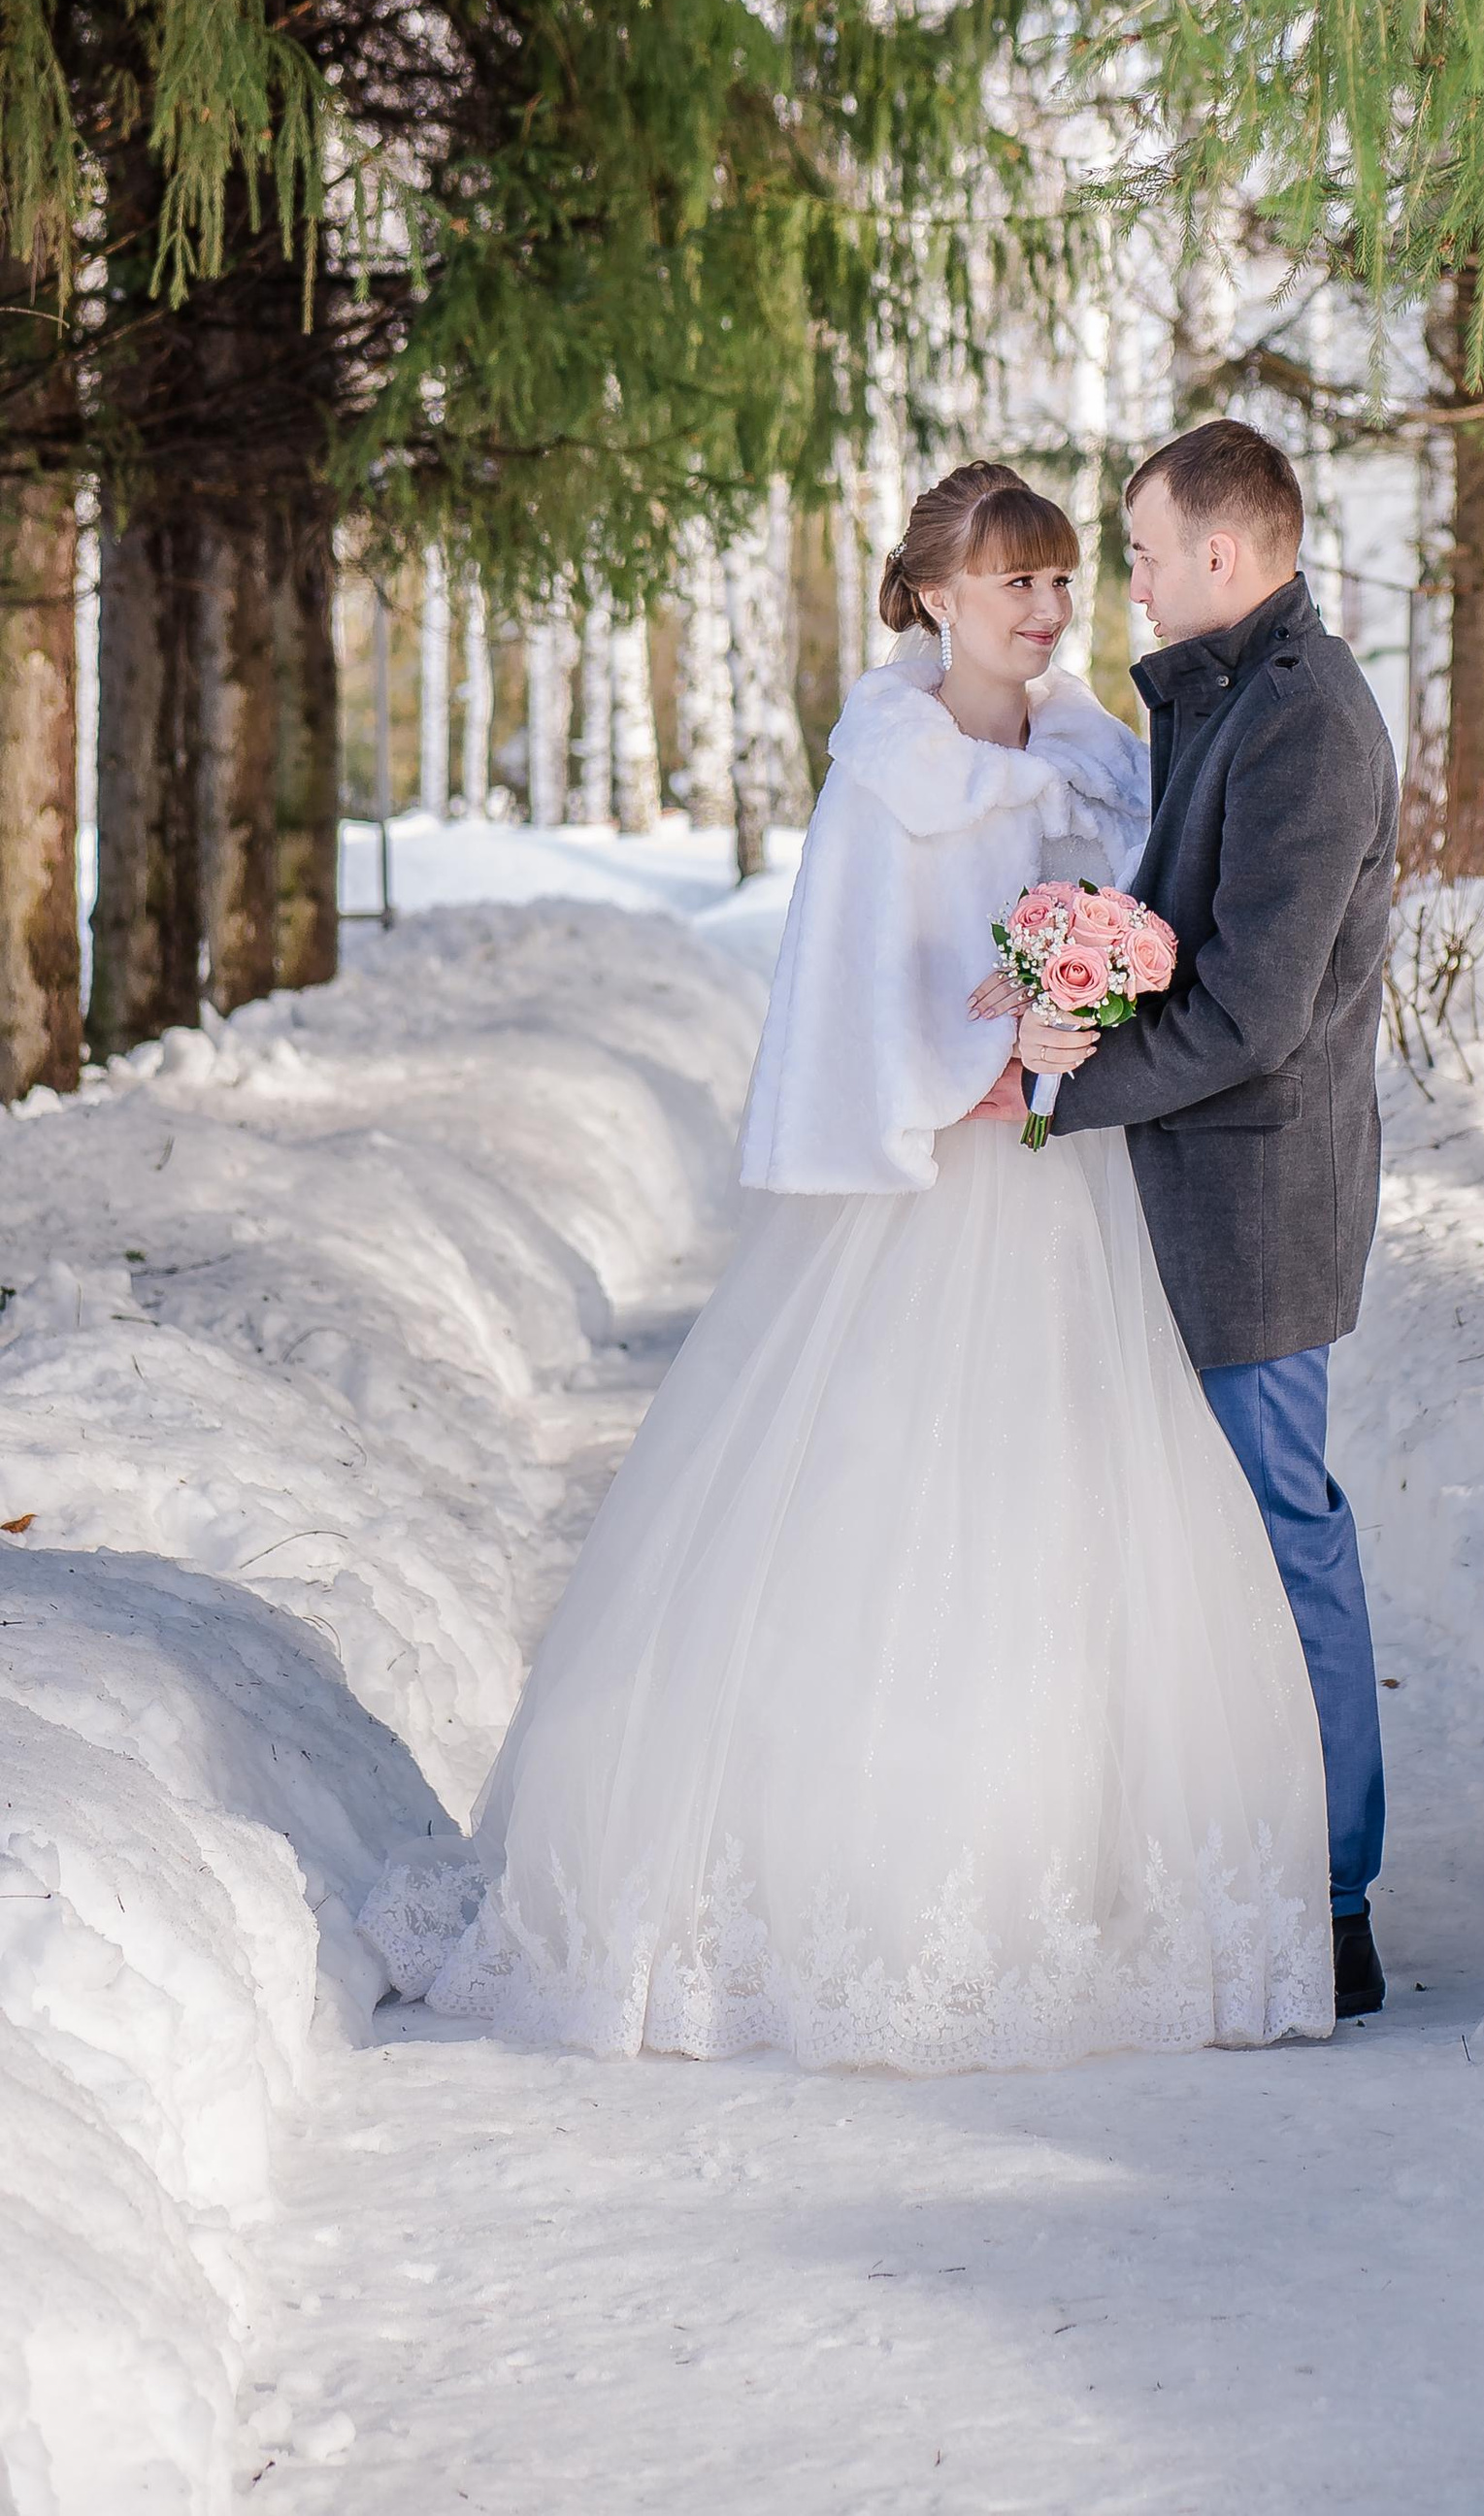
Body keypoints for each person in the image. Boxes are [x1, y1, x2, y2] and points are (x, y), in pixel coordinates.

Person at [359, 462, 1333, 2070]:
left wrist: (1092, 1014)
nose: (1047, 609)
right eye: (1013, 581)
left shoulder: (1101, 758)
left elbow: (1152, 940)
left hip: (1076, 1187)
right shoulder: (888, 777)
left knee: (1082, 1517)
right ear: (936, 595)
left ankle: (1077, 1875)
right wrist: (992, 1054)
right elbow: (855, 1002)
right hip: (929, 1188)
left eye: (1062, 578)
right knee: (886, 1504)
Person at [1019, 421, 1399, 2019]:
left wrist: (1059, 1087)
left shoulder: (1305, 720)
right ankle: (1236, 1865)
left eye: (1147, 551)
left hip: (1257, 1201)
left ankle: (1334, 1899)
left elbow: (1253, 1011)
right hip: (1196, 1184)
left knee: (1278, 1531)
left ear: (1224, 555)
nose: (1133, 579)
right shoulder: (1227, 696)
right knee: (1203, 1537)